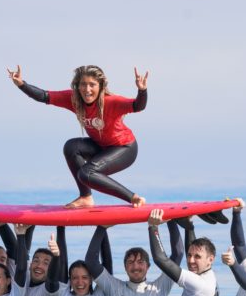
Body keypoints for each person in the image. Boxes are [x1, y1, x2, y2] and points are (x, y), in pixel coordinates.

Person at [8, 64, 148, 208]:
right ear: (77, 86)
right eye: (83, 84)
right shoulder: (74, 99)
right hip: (101, 146)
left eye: (92, 85)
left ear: (101, 86)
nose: (87, 89)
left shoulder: (111, 102)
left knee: (87, 173)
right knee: (71, 147)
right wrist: (21, 84)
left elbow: (138, 106)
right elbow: (44, 96)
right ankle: (86, 198)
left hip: (125, 148)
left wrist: (142, 90)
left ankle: (134, 198)